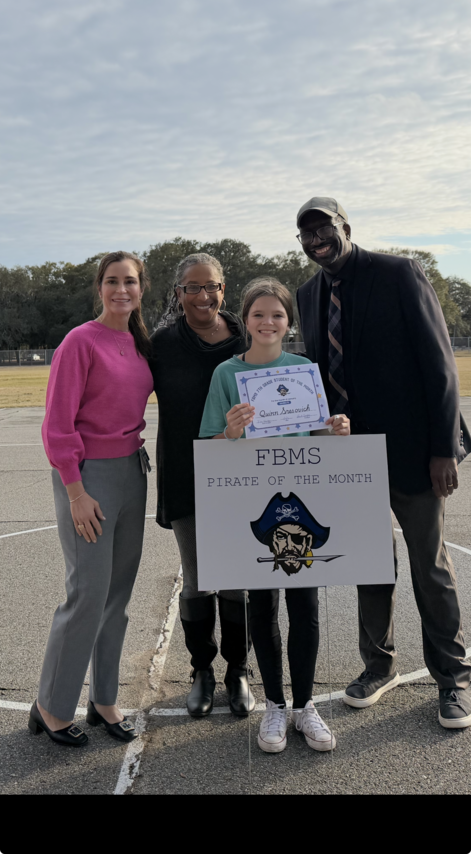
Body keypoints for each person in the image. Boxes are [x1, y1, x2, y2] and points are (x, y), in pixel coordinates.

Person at [295, 196, 471, 728]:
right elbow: (318, 377)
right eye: (305, 234)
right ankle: (379, 665)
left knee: (431, 568)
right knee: (370, 566)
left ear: (345, 226)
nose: (315, 239)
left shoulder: (399, 273)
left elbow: (438, 364)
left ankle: (453, 678)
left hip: (415, 451)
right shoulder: (308, 293)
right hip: (351, 457)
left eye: (323, 228)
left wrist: (444, 448)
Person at [199, 277, 350, 753]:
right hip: (252, 506)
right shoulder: (226, 374)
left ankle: (305, 706)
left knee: (304, 606)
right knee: (261, 607)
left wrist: (336, 430)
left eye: (278, 315)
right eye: (259, 314)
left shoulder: (304, 368)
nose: (268, 322)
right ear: (245, 320)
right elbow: (208, 445)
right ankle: (275, 706)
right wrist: (231, 430)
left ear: (289, 322)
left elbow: (315, 436)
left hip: (299, 506)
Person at [29, 252, 154, 747]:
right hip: (89, 479)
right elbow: (57, 424)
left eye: (129, 281)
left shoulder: (141, 343)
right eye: (111, 281)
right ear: (99, 288)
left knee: (116, 597)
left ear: (142, 289)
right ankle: (52, 706)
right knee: (87, 594)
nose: (120, 289)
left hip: (132, 470)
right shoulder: (80, 341)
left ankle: (104, 700)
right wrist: (75, 491)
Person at [150, 254, 255, 718]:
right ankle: (202, 671)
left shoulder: (247, 340)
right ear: (178, 295)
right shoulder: (163, 344)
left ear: (223, 290)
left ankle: (238, 671)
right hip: (187, 474)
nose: (202, 296)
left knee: (235, 578)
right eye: (192, 288)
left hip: (243, 478)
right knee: (197, 580)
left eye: (211, 286)